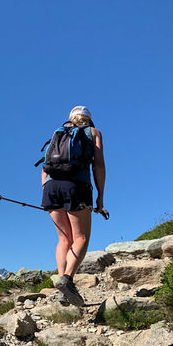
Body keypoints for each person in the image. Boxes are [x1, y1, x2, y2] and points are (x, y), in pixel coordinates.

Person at [40, 105, 106, 306]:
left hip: (51, 187)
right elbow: (98, 165)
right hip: (77, 186)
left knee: (63, 239)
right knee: (81, 237)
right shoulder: (93, 132)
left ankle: (62, 289)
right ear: (89, 119)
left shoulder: (58, 133)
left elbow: (44, 167)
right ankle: (67, 280)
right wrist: (100, 196)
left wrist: (47, 188)